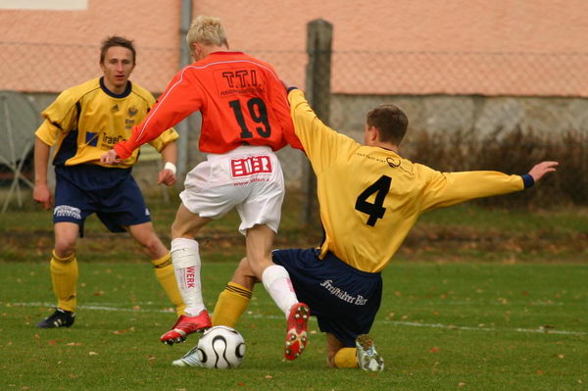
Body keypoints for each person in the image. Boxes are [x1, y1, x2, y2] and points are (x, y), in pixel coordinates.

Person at [175, 87, 559, 370]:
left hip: (327, 268)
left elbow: (306, 120)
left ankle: (213, 341)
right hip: (367, 287)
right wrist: (521, 179)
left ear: (372, 132)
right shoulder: (421, 180)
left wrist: (292, 93)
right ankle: (361, 355)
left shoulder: (341, 152)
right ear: (399, 137)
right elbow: (470, 182)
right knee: (334, 356)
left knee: (249, 265)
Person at [100, 16, 309, 360]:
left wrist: (123, 149)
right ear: (224, 40)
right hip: (268, 165)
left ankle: (195, 311)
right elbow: (288, 124)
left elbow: (160, 117)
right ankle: (292, 307)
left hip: (227, 164)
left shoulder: (196, 72)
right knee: (259, 257)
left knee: (182, 229)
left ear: (196, 47)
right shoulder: (264, 69)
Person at [34, 36, 185, 328]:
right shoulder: (77, 97)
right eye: (113, 61)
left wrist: (169, 166)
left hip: (117, 181)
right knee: (64, 243)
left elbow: (168, 139)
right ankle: (65, 312)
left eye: (125, 62)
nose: (119, 67)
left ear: (133, 65)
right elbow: (43, 138)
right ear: (102, 63)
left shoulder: (142, 101)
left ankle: (186, 309)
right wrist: (41, 184)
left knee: (151, 243)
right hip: (75, 179)